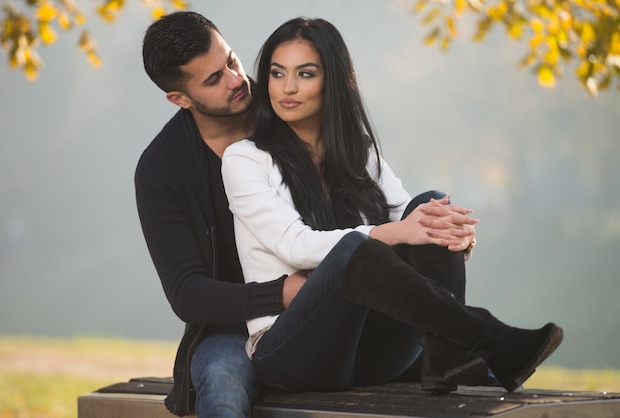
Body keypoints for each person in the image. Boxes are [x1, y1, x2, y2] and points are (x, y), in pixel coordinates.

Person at [221, 17, 563, 395]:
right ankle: (488, 338)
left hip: (372, 351)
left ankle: (447, 357)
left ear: (332, 81)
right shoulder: (245, 160)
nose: (287, 87)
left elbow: (410, 218)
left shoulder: (359, 152)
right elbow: (293, 244)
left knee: (430, 203)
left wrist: (455, 233)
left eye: (305, 74)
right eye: (277, 72)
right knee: (354, 250)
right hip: (291, 353)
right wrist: (396, 231)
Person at [136, 11, 311, 417]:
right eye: (213, 80)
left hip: (328, 300)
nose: (236, 80)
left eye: (231, 61)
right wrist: (282, 292)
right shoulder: (162, 168)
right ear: (179, 98)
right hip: (230, 329)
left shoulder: (286, 108)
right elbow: (187, 293)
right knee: (221, 384)